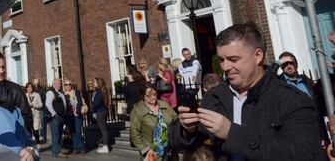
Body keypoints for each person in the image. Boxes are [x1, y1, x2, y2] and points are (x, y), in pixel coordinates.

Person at [169, 23, 326, 160]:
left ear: (257, 56)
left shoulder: (292, 99)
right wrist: (187, 129)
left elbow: (303, 155)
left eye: (233, 59)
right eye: (222, 60)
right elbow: (176, 141)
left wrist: (231, 133)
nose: (225, 67)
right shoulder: (215, 97)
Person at [0, 50, 33, 133]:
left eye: (3, 67)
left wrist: (23, 139)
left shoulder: (15, 89)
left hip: (13, 138)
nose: (2, 71)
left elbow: (26, 116)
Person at [130, 84, 177, 160]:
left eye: (155, 94)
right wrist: (146, 150)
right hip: (151, 153)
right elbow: (135, 134)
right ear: (143, 96)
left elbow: (176, 120)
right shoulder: (137, 111)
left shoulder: (164, 104)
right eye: (149, 95)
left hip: (169, 151)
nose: (153, 97)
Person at [45, 78, 68, 158]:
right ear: (54, 84)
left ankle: (58, 151)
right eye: (57, 83)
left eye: (60, 83)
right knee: (56, 135)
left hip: (61, 116)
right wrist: (54, 114)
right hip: (55, 117)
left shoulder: (60, 93)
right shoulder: (51, 92)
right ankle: (56, 152)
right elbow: (48, 104)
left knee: (59, 134)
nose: (59, 85)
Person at [63, 78, 85, 155]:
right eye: (66, 84)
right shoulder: (64, 94)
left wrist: (77, 111)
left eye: (69, 84)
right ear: (64, 86)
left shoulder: (76, 92)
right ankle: (76, 148)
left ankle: (82, 147)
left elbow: (79, 102)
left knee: (78, 131)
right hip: (69, 116)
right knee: (73, 133)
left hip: (77, 115)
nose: (68, 86)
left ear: (71, 85)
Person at [91, 77, 111, 154]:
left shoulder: (99, 92)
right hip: (102, 111)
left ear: (98, 83)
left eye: (95, 82)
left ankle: (105, 146)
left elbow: (96, 103)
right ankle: (104, 144)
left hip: (100, 112)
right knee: (103, 128)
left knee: (103, 129)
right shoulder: (100, 91)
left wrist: (93, 110)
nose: (93, 83)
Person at [31, 78, 47, 143]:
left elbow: (43, 98)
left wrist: (37, 100)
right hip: (34, 109)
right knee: (35, 123)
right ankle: (35, 136)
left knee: (42, 123)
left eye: (37, 83)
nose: (36, 84)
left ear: (39, 83)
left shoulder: (42, 90)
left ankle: (43, 136)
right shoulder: (32, 90)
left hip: (41, 108)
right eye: (35, 83)